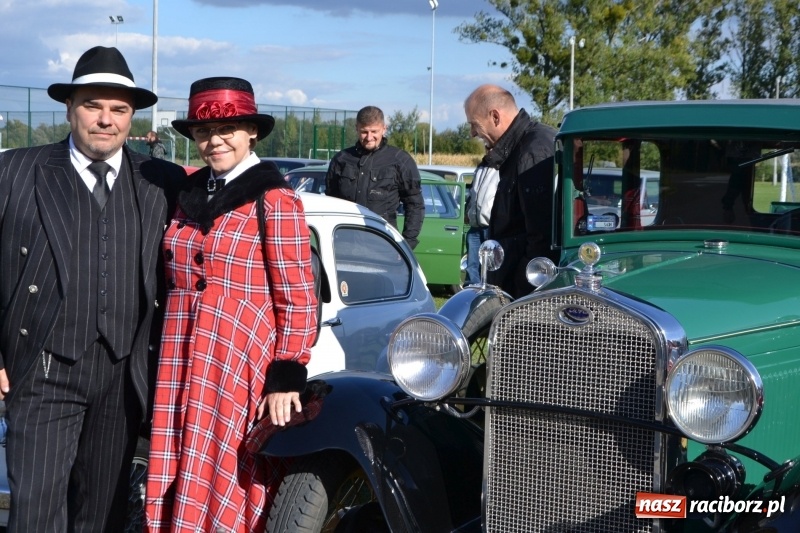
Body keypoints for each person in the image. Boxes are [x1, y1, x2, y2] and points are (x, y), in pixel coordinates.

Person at [0, 45, 185, 532]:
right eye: (93, 106)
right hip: (42, 368)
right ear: (69, 108)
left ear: (133, 117)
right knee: (35, 513)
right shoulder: (15, 172)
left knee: (102, 515)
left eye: (119, 110)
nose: (106, 120)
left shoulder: (160, 179)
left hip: (125, 377)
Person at [145, 76, 319, 532]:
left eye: (227, 129)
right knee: (182, 464)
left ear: (251, 132)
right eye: (203, 132)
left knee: (227, 470)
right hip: (181, 357)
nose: (214, 141)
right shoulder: (189, 193)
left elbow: (299, 297)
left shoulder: (274, 198)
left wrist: (286, 375)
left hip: (237, 363)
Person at [464, 84, 558, 298]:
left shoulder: (532, 151)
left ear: (495, 117)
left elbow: (541, 237)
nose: (472, 133)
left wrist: (519, 291)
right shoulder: (523, 148)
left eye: (474, 125)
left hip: (527, 295)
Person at [325, 105, 424, 249]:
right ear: (356, 129)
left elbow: (415, 205)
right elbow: (330, 202)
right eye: (364, 132)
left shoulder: (400, 161)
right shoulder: (341, 160)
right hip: (344, 243)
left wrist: (406, 244)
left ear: (384, 129)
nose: (369, 137)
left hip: (384, 244)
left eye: (374, 131)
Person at [464, 147, 500, 285]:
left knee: (491, 266)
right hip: (475, 226)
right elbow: (473, 193)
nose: (489, 150)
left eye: (492, 147)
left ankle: (490, 294)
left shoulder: (501, 168)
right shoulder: (480, 168)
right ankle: (471, 292)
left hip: (490, 226)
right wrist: (468, 211)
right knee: (472, 266)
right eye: (487, 147)